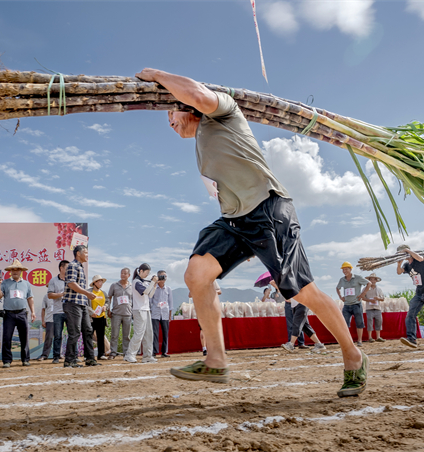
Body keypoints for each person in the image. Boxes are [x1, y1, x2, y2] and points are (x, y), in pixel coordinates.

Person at [136, 68, 367, 396]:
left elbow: (198, 94)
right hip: (235, 221)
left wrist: (157, 74)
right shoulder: (202, 143)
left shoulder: (223, 111)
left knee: (303, 292)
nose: (169, 123)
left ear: (185, 106)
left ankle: (353, 354)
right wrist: (244, 246)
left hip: (269, 210)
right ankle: (216, 360)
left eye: (169, 113)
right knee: (197, 274)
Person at [62, 245, 98, 368]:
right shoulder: (73, 265)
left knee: (88, 330)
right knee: (75, 332)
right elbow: (71, 283)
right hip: (73, 303)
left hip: (82, 304)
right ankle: (69, 360)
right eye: (86, 252)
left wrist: (86, 297)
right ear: (78, 253)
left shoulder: (81, 267)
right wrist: (87, 293)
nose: (87, 255)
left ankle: (90, 358)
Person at [0, 259, 35, 368]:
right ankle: (7, 361)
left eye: (17, 270)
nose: (15, 272)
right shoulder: (5, 282)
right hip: (9, 314)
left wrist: (33, 312)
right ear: (10, 271)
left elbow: (30, 298)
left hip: (22, 313)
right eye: (13, 270)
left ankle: (25, 360)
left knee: (24, 338)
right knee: (7, 337)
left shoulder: (26, 284)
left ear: (21, 271)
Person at [124, 263, 158, 364]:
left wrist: (154, 286)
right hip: (139, 310)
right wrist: (152, 282)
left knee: (149, 334)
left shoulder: (144, 282)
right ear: (141, 271)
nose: (147, 275)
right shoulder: (136, 282)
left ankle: (147, 356)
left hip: (146, 309)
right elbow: (145, 292)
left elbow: (150, 295)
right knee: (139, 333)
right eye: (146, 272)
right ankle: (129, 354)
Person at [336, 262, 369, 347]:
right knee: (344, 324)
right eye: (343, 269)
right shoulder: (342, 280)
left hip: (356, 304)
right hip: (346, 305)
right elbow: (337, 288)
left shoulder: (358, 278)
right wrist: (340, 297)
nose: (344, 271)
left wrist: (363, 294)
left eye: (346, 269)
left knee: (359, 323)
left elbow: (369, 283)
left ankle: (359, 341)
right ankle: (347, 341)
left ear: (350, 269)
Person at [46, 260, 69, 363]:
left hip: (70, 311)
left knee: (72, 334)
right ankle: (56, 356)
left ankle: (72, 355)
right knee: (58, 335)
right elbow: (50, 295)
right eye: (67, 268)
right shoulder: (53, 280)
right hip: (58, 312)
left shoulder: (71, 280)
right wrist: (61, 294)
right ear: (61, 268)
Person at [107, 268, 133, 359]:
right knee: (114, 335)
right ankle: (113, 353)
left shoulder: (132, 286)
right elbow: (109, 298)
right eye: (121, 273)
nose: (123, 275)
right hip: (116, 313)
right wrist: (108, 310)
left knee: (127, 336)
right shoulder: (114, 285)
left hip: (128, 314)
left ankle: (126, 353)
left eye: (125, 273)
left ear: (129, 275)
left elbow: (134, 300)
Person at [151, 270, 173, 358]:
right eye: (162, 276)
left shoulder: (168, 289)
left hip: (165, 313)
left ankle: (164, 352)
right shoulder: (154, 288)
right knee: (155, 333)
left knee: (165, 333)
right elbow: (150, 300)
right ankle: (154, 351)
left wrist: (170, 315)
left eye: (165, 276)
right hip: (155, 313)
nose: (163, 278)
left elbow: (170, 303)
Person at [89, 275, 109, 360]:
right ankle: (88, 355)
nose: (101, 283)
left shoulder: (103, 293)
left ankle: (101, 354)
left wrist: (105, 306)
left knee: (100, 336)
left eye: (102, 281)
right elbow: (85, 304)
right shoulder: (89, 292)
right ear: (94, 282)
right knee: (89, 336)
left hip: (101, 317)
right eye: (99, 281)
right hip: (91, 318)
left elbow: (107, 302)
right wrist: (91, 312)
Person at [361, 273, 385, 343]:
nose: (373, 281)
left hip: (378, 308)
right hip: (369, 308)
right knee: (369, 323)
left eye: (374, 279)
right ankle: (370, 337)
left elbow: (383, 298)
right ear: (369, 280)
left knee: (379, 322)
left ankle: (378, 337)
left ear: (376, 280)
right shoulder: (365, 289)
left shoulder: (379, 289)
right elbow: (362, 297)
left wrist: (378, 298)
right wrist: (369, 300)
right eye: (371, 279)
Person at [37, 292, 54, 361]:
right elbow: (43, 309)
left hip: (59, 319)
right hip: (49, 319)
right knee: (48, 338)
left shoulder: (60, 295)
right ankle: (44, 355)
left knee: (59, 337)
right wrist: (43, 320)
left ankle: (58, 354)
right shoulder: (46, 296)